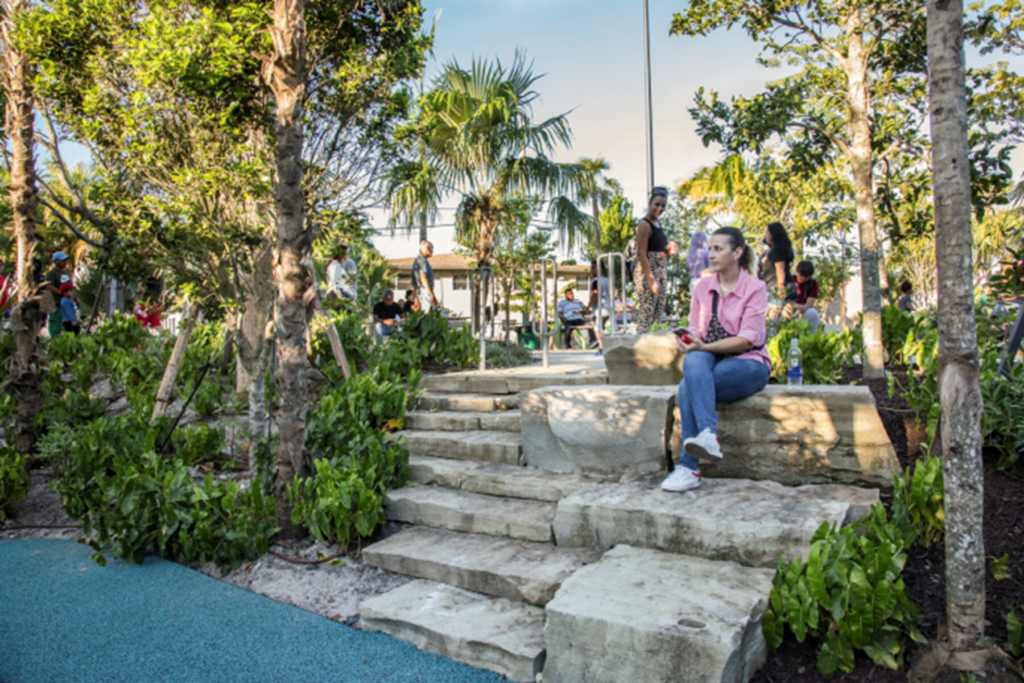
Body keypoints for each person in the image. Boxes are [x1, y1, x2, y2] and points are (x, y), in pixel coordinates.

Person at [662, 227, 771, 493]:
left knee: (688, 386)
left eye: (718, 249)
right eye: (710, 248)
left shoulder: (755, 288)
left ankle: (689, 467)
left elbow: (747, 339)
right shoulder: (702, 287)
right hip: (712, 360)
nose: (710, 254)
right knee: (694, 359)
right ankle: (708, 435)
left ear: (737, 252)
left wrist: (705, 346)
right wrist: (689, 341)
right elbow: (697, 331)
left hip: (749, 363)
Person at [633, 186, 670, 333]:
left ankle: (654, 343)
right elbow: (641, 253)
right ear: (650, 203)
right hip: (648, 271)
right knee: (647, 314)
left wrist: (668, 250)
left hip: (661, 269)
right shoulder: (644, 225)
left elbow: (657, 248)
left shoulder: (658, 223)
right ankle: (641, 343)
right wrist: (650, 280)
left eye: (663, 206)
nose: (660, 208)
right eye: (657, 204)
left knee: (658, 313)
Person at [759, 221, 795, 302]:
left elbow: (780, 268)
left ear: (773, 234)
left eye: (767, 233)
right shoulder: (770, 251)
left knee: (775, 309)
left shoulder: (777, 249)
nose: (766, 235)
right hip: (775, 286)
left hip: (778, 286)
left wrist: (781, 287)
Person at [44, 252, 73, 338]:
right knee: (56, 324)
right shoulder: (51, 273)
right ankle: (55, 339)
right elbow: (49, 286)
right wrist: (61, 292)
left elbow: (71, 287)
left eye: (65, 260)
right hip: (57, 304)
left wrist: (75, 299)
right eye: (62, 260)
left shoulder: (66, 273)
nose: (65, 262)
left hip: (68, 304)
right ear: (56, 261)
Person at [791, 260, 821, 332]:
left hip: (803, 310)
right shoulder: (790, 279)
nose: (803, 278)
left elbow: (809, 304)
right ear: (796, 271)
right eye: (801, 275)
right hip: (789, 308)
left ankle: (810, 336)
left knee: (813, 313)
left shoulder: (813, 283)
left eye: (806, 277)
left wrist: (800, 309)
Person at [412, 240, 439, 313]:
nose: (431, 250)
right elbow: (423, 277)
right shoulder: (422, 260)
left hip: (421, 291)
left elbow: (414, 280)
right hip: (424, 290)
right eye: (429, 248)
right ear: (422, 249)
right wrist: (430, 293)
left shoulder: (418, 260)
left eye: (432, 248)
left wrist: (416, 295)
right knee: (428, 313)